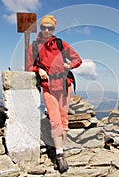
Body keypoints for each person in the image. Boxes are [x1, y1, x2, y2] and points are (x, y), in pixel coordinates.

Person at [26, 15, 82, 173]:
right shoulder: (35, 46)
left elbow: (78, 59)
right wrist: (39, 70)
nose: (46, 30)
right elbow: (28, 66)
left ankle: (61, 149)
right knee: (55, 120)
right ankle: (59, 154)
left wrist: (69, 64)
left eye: (49, 28)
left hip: (65, 85)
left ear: (53, 29)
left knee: (64, 120)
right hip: (49, 87)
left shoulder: (60, 43)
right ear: (40, 28)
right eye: (44, 27)